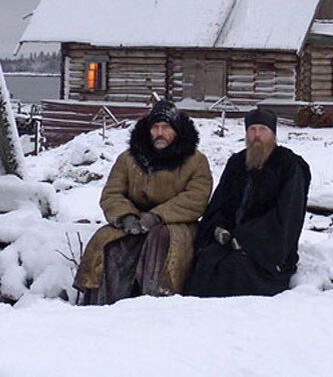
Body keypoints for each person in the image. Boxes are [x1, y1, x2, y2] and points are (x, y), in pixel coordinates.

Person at [74, 100, 212, 305]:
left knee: (160, 238)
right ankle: (106, 303)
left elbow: (196, 198)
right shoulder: (129, 159)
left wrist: (158, 216)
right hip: (135, 221)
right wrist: (126, 216)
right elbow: (112, 193)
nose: (159, 133)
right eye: (155, 127)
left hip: (178, 223)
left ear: (176, 130)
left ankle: (154, 301)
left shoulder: (195, 161)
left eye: (165, 127)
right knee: (108, 242)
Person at [185, 107, 310, 298]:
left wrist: (243, 238)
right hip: (229, 241)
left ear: (273, 134)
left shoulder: (289, 166)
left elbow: (287, 217)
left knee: (236, 266)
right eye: (252, 130)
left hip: (267, 250)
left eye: (262, 130)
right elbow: (219, 204)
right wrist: (219, 228)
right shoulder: (236, 163)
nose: (257, 135)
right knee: (208, 258)